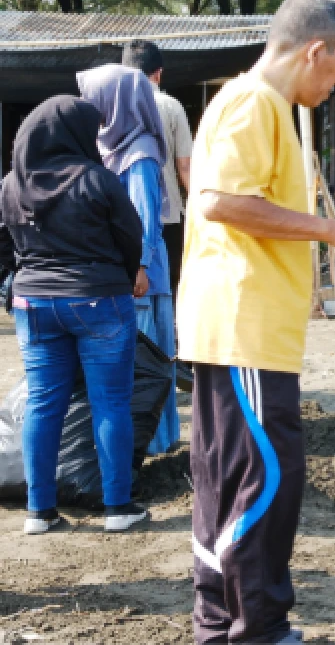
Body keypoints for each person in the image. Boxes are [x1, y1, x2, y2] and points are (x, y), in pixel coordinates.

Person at [177, 0, 335, 645]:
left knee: (226, 483)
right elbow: (217, 200)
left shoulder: (256, 104)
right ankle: (258, 629)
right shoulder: (255, 102)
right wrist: (331, 229)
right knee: (265, 482)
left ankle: (220, 627)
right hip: (245, 329)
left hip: (237, 329)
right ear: (315, 51)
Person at [0, 96, 149, 535]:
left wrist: (15, 281)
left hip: (33, 304)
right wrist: (123, 275)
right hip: (98, 301)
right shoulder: (97, 179)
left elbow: (3, 245)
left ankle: (39, 512)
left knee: (44, 403)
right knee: (111, 401)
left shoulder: (11, 184)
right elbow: (130, 237)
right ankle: (118, 508)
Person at [76, 63, 179, 454]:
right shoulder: (115, 148)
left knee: (145, 360)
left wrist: (140, 266)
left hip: (141, 278)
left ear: (115, 102)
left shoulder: (140, 153)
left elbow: (145, 219)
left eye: (96, 99)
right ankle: (151, 441)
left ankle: (152, 443)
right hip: (129, 271)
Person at [121, 40, 194, 297]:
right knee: (167, 291)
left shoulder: (112, 106)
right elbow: (185, 165)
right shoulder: (171, 106)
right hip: (166, 214)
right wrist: (200, 207)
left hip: (124, 215)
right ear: (159, 73)